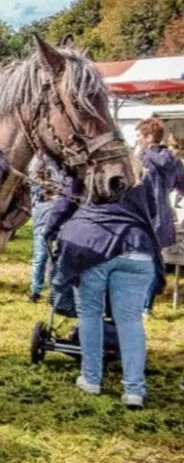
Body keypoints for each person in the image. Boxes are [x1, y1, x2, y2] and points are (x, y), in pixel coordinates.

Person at [46, 172, 161, 409]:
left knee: (89, 314)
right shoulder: (139, 173)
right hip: (137, 247)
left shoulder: (85, 170)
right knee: (130, 321)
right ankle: (134, 390)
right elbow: (154, 210)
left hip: (92, 247)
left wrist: (49, 230)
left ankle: (91, 378)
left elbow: (64, 204)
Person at [135, 118, 184, 313]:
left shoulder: (142, 159)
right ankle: (147, 304)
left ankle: (143, 304)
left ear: (148, 137)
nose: (138, 139)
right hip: (164, 219)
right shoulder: (174, 160)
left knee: (141, 262)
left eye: (139, 135)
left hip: (143, 217)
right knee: (155, 260)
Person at [29, 154, 62, 303]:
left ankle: (55, 292)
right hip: (44, 213)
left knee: (59, 256)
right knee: (41, 255)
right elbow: (35, 187)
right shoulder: (38, 162)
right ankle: (35, 290)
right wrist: (52, 195)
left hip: (62, 213)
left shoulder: (64, 163)